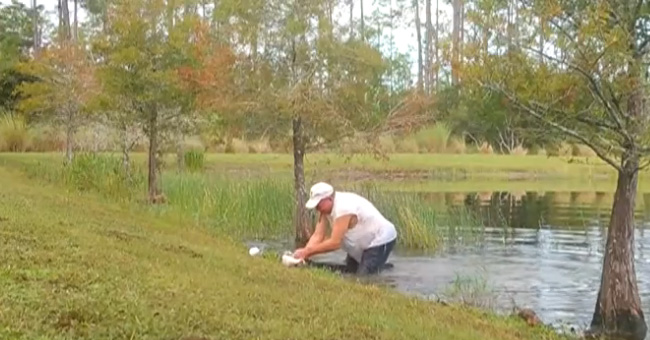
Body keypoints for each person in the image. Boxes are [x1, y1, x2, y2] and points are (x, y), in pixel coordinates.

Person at [292, 182, 397, 275]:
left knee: (362, 279)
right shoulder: (325, 210)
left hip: (381, 238)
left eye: (319, 204)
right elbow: (318, 235)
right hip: (361, 242)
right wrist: (304, 254)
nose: (317, 208)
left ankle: (383, 270)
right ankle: (382, 267)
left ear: (329, 199)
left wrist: (307, 252)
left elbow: (335, 243)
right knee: (350, 272)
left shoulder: (343, 208)